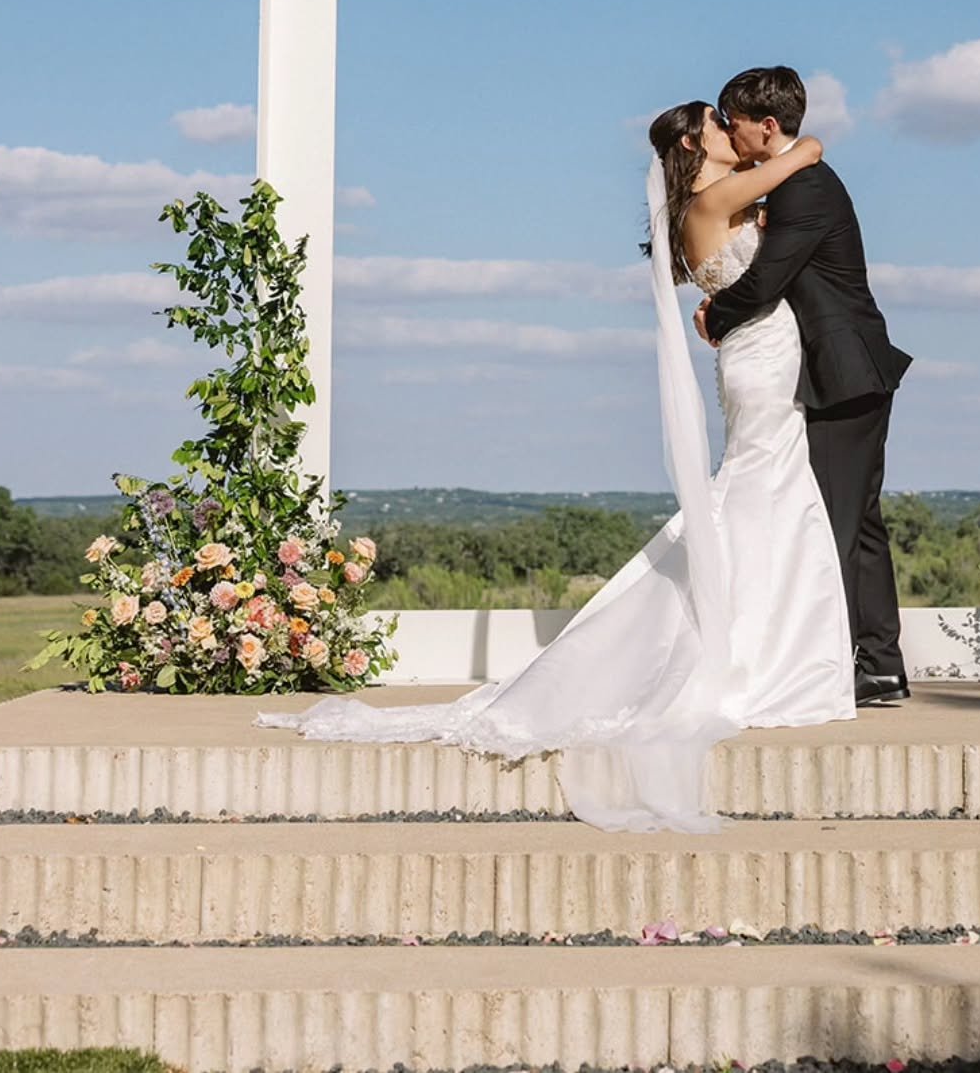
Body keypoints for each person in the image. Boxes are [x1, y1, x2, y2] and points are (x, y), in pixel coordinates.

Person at [256, 98, 854, 833]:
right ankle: (756, 660)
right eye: (717, 121)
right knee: (758, 499)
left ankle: (766, 652)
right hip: (761, 367)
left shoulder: (713, 201)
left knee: (764, 501)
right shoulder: (712, 195)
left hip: (759, 359)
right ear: (694, 148)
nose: (732, 127)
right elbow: (807, 151)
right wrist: (787, 148)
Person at [697, 66, 913, 706]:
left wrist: (716, 314)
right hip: (848, 371)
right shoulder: (793, 177)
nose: (731, 134)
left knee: (832, 524)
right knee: (862, 523)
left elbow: (767, 279)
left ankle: (840, 667)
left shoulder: (805, 188)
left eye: (734, 122)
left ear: (767, 127)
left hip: (843, 373)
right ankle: (879, 663)